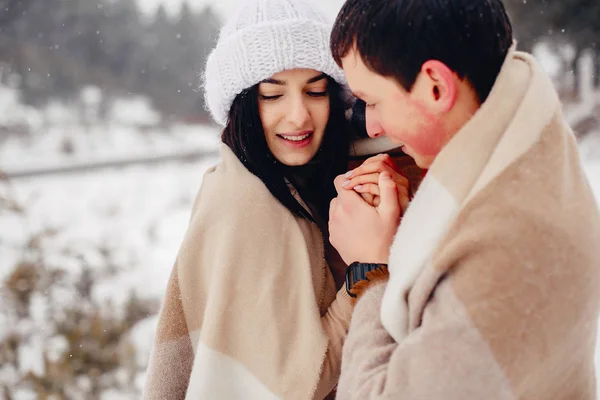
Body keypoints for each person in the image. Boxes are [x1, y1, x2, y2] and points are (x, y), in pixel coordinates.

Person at [327, 0, 600, 398]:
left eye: (372, 100)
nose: (371, 125)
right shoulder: (530, 147)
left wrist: (371, 269)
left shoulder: (507, 251)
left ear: (436, 87)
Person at [142, 0, 410, 398]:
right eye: (273, 95)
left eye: (316, 91)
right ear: (243, 105)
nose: (298, 116)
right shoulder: (245, 205)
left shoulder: (290, 180)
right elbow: (290, 383)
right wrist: (369, 271)